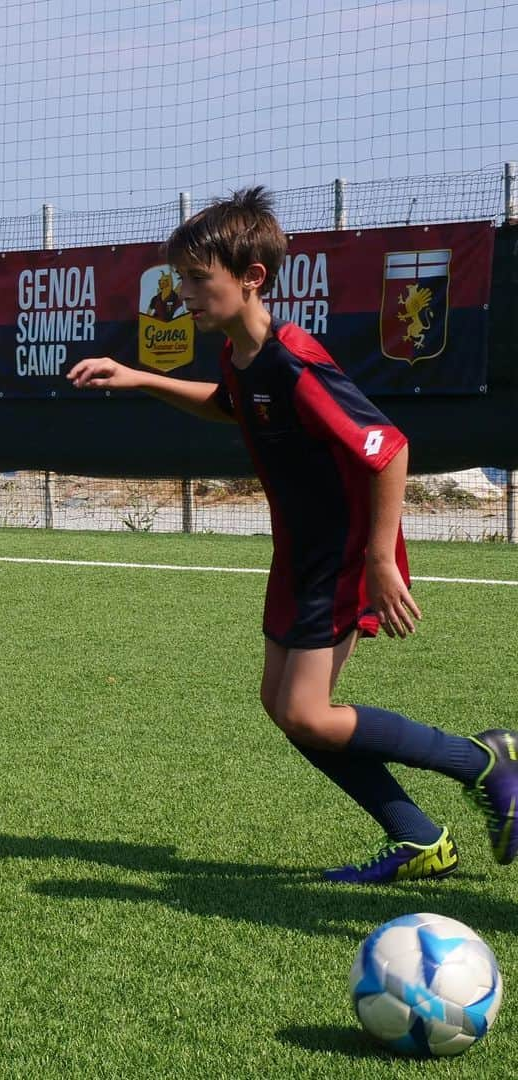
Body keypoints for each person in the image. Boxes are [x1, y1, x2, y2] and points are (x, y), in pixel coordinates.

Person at [67, 187, 518, 884]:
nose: (182, 291)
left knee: (307, 712)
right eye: (179, 277)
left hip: (340, 553)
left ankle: (483, 762)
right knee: (282, 706)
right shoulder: (244, 357)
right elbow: (230, 405)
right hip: (301, 552)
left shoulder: (295, 361)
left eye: (196, 278)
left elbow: (390, 448)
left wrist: (377, 560)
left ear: (251, 277)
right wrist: (137, 379)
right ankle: (418, 836)